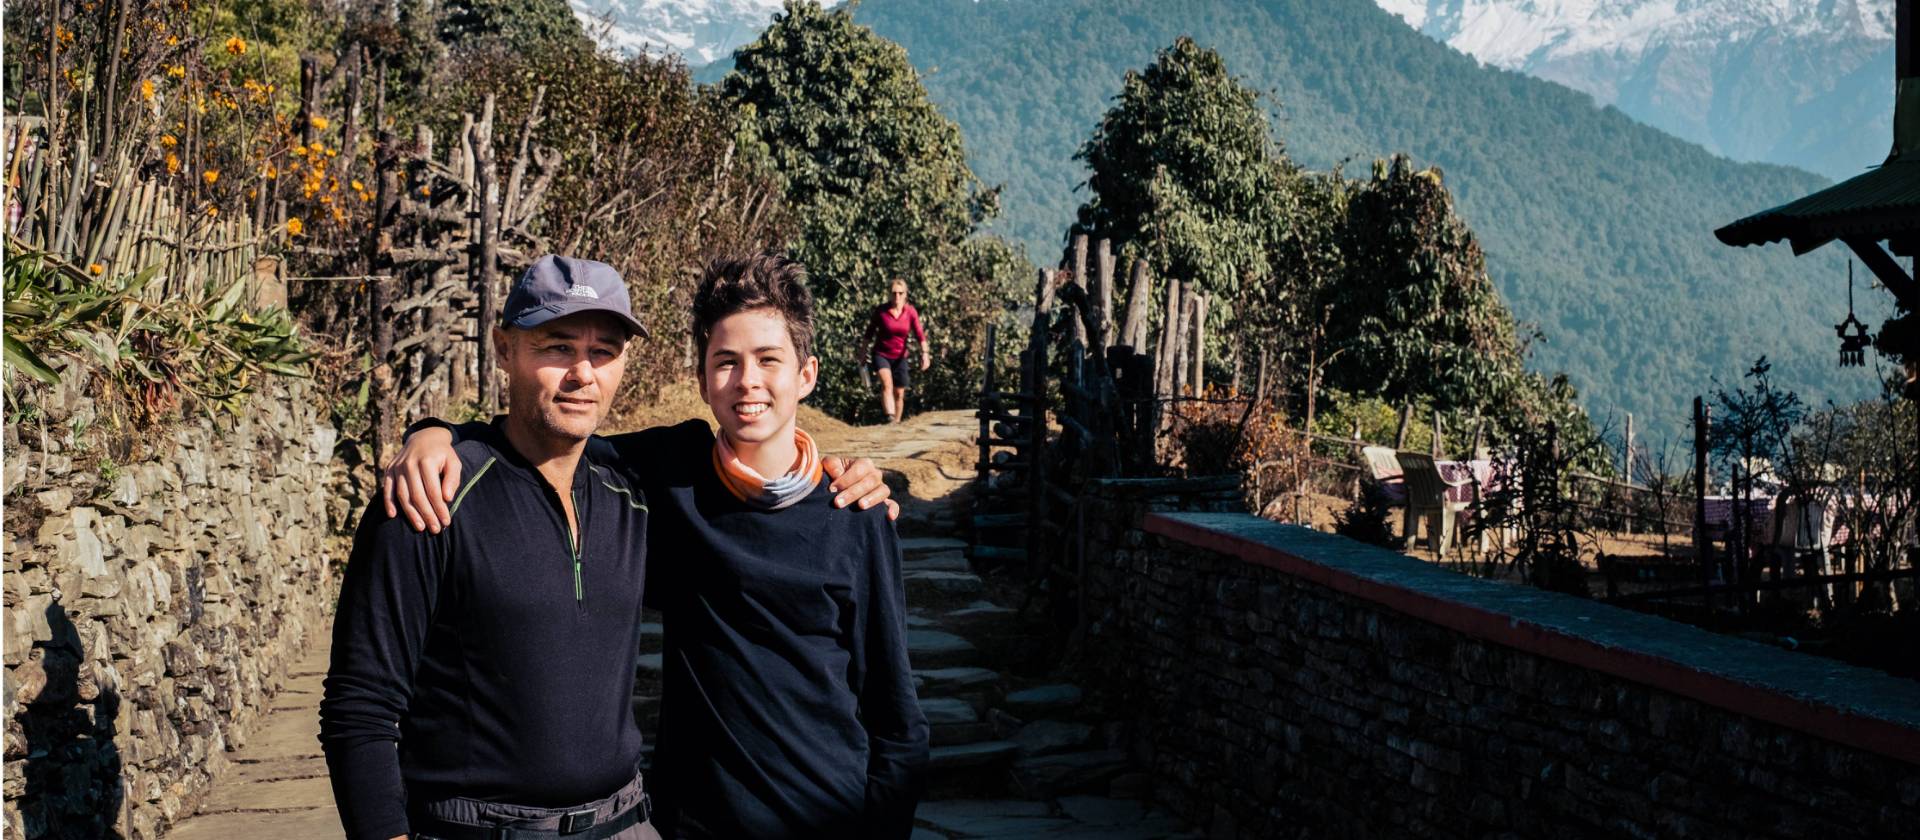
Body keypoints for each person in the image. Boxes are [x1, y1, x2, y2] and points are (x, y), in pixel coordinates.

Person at [320, 255, 893, 840]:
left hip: (629, 823)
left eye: (603, 352)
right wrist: (434, 433)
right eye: (557, 347)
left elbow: (756, 469)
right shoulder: (431, 496)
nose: (582, 373)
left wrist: (842, 480)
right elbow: (359, 706)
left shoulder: (640, 490)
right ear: (503, 349)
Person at [858, 277, 929, 423]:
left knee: (899, 393)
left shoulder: (910, 312)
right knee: (887, 384)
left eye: (900, 293)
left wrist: (925, 354)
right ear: (889, 294)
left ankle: (896, 423)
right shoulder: (881, 311)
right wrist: (863, 352)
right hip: (881, 354)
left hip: (900, 357)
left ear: (905, 295)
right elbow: (869, 333)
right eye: (894, 293)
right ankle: (889, 417)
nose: (897, 296)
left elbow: (920, 335)